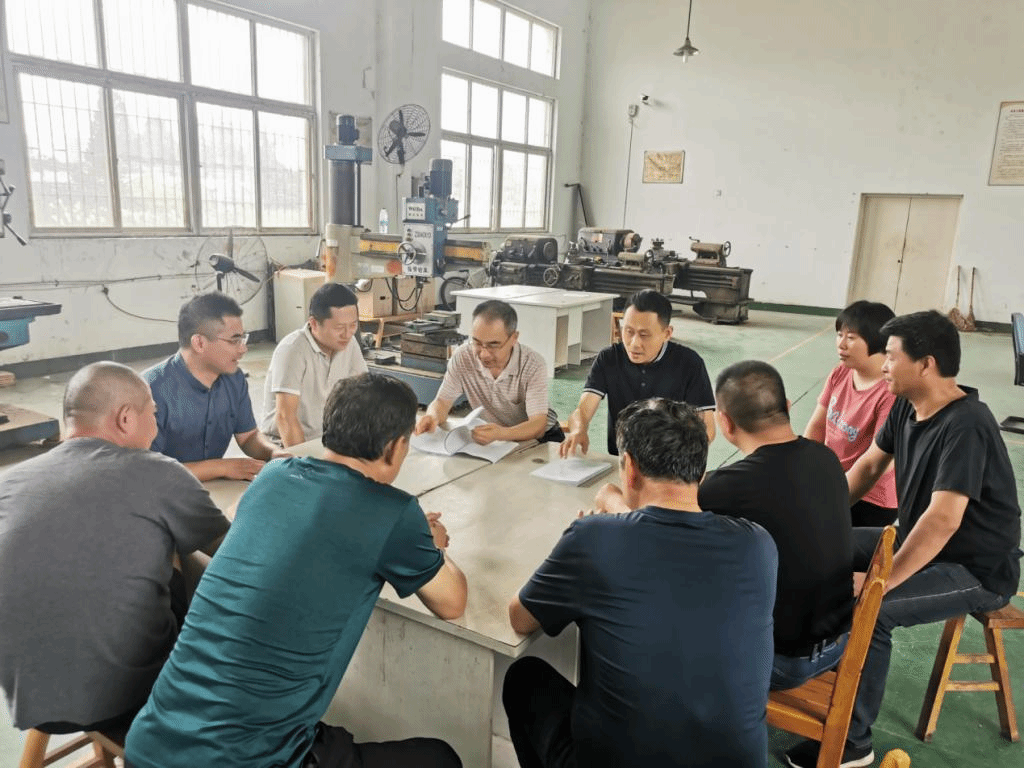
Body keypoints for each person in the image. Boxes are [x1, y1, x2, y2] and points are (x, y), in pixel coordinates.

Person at [126, 373, 468, 768]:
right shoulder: (393, 511)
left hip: (149, 744)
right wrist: (432, 543)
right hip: (246, 761)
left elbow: (252, 530)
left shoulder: (273, 475)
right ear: (395, 447)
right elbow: (453, 603)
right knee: (440, 759)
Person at [785, 311, 1023, 768]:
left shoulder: (967, 424)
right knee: (821, 548)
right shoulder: (905, 406)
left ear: (926, 364)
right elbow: (868, 468)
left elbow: (943, 521)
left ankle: (853, 744)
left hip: (975, 567)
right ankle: (812, 674)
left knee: (873, 611)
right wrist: (816, 521)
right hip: (921, 543)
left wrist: (881, 582)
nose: (884, 365)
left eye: (892, 357)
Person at [504, 398, 777, 768]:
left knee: (524, 679)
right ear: (701, 471)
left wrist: (586, 538)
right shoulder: (757, 544)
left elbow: (520, 618)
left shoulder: (594, 539)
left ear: (629, 468)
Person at [0, 362, 228, 736]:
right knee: (182, 554)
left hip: (31, 702)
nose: (157, 427)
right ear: (125, 418)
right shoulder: (159, 472)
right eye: (153, 413)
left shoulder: (10, 483)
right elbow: (233, 553)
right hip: (130, 702)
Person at [697, 360, 854, 692]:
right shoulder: (826, 459)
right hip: (840, 644)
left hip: (781, 663)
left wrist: (612, 500)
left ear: (725, 422)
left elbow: (660, 514)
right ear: (787, 406)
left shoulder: (728, 486)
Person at [144, 292, 287, 481]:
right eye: (234, 340)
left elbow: (249, 436)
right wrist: (221, 467)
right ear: (199, 343)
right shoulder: (150, 391)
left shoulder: (234, 379)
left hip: (211, 487)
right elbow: (148, 471)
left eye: (243, 339)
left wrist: (273, 452)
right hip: (162, 492)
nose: (243, 349)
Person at [560, 288, 715, 457]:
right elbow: (583, 410)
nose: (634, 343)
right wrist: (578, 429)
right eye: (629, 331)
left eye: (644, 335)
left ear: (667, 333)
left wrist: (676, 458)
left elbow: (707, 428)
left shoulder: (689, 363)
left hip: (667, 461)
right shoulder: (609, 359)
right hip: (622, 459)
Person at [804, 300, 898, 526]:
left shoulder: (891, 393)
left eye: (851, 337)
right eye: (839, 335)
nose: (841, 344)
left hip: (869, 496)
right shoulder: (841, 373)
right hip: (832, 480)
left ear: (878, 340)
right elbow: (817, 427)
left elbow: (877, 464)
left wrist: (831, 499)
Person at [415, 299, 561, 444]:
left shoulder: (532, 364)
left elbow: (538, 425)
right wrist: (432, 416)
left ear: (513, 338)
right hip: (496, 439)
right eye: (477, 343)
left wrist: (501, 434)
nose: (484, 354)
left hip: (542, 438)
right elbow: (442, 402)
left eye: (493, 345)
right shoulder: (463, 358)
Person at [261, 282, 367, 447]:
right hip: (284, 444)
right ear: (314, 323)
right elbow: (285, 417)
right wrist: (304, 460)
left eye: (353, 325)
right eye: (339, 327)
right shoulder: (292, 349)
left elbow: (363, 395)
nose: (347, 334)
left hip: (327, 440)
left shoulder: (349, 343)